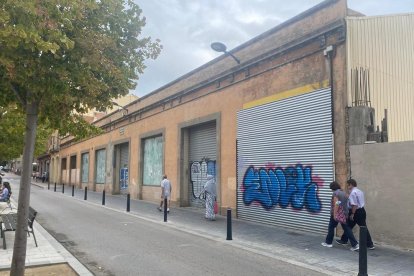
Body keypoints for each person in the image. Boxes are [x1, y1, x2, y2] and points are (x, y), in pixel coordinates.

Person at [336, 179, 375, 250]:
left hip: (356, 212)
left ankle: (369, 244)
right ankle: (344, 240)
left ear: (351, 184)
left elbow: (355, 205)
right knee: (349, 226)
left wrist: (352, 214)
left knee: (359, 227)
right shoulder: (359, 191)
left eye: (347, 185)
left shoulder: (353, 193)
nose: (347, 186)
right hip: (361, 210)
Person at [322, 181, 360, 251]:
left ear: (332, 188)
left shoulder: (335, 193)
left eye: (331, 188)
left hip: (337, 214)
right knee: (347, 229)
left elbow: (337, 204)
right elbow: (350, 202)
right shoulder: (344, 193)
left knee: (331, 227)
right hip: (344, 213)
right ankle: (355, 244)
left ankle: (328, 242)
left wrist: (334, 214)